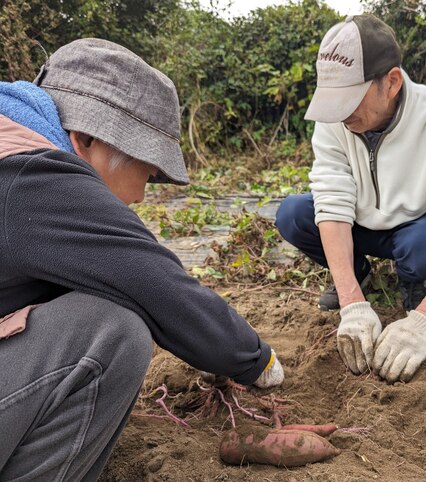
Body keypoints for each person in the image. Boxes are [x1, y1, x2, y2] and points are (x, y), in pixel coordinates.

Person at [0, 38, 284, 479]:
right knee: (112, 332)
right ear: (86, 137)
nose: (139, 196)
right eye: (146, 175)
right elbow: (155, 284)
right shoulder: (33, 175)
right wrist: (256, 361)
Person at [276, 15, 426, 384]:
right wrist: (351, 304)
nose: (341, 113)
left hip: (414, 228)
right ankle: (358, 276)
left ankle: (415, 283)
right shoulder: (335, 120)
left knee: (424, 246)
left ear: (391, 82)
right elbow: (331, 200)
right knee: (294, 213)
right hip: (360, 224)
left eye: (350, 98)